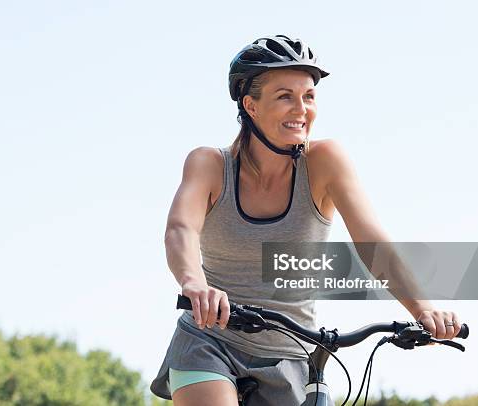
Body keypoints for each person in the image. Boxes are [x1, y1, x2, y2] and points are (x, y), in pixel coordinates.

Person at [150, 35, 462, 406]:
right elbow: (180, 229)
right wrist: (194, 283)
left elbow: (372, 242)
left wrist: (422, 308)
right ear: (250, 105)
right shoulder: (209, 165)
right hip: (211, 341)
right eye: (285, 96)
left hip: (296, 354)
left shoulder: (325, 162)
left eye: (309, 96)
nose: (301, 109)